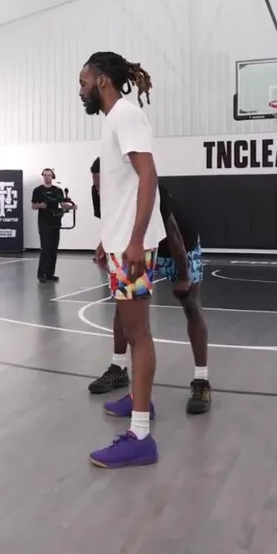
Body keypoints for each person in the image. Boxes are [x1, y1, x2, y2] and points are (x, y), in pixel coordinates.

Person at [81, 51, 166, 469]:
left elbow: (148, 175)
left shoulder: (127, 115)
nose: (81, 90)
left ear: (102, 81)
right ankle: (138, 399)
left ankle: (141, 437)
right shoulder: (115, 119)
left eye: (84, 82)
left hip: (134, 244)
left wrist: (134, 239)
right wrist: (108, 238)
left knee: (139, 334)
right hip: (120, 242)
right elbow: (123, 187)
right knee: (132, 331)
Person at [87, 158, 212, 415]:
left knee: (190, 304)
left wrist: (182, 276)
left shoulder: (151, 191)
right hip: (141, 247)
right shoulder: (100, 191)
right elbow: (112, 220)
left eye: (102, 185)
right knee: (124, 304)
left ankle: (201, 381)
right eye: (96, 186)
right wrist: (104, 244)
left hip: (179, 246)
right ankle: (118, 368)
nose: (99, 190)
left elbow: (174, 234)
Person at [31, 168, 73, 283]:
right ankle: (41, 274)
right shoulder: (38, 190)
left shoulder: (58, 190)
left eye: (49, 175)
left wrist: (71, 206)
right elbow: (33, 206)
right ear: (43, 176)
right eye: (45, 175)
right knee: (45, 248)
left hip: (55, 221)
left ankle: (50, 274)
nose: (47, 177)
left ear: (52, 176)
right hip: (44, 222)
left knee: (54, 248)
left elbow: (62, 204)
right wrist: (40, 206)